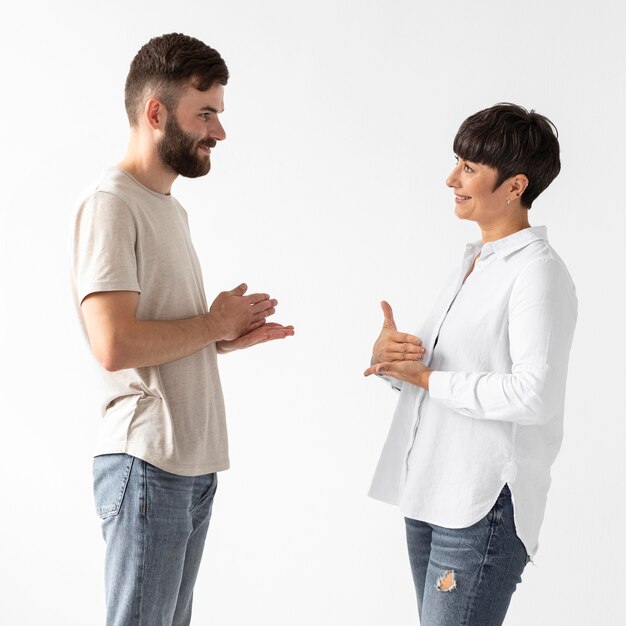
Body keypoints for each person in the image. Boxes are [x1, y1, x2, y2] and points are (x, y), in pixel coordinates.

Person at [70, 33, 294, 626]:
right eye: (207, 113)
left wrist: (218, 337)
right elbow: (113, 344)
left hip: (187, 465)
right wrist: (209, 323)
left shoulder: (166, 205)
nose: (219, 132)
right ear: (155, 112)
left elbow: (155, 333)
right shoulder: (111, 202)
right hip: (147, 463)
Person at [364, 103, 577, 626]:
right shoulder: (473, 263)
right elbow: (439, 377)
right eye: (457, 162)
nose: (451, 179)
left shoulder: (537, 274)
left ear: (514, 186)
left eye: (469, 168)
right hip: (432, 490)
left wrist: (427, 378)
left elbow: (534, 394)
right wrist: (394, 362)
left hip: (482, 503)